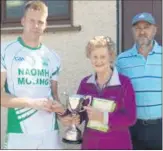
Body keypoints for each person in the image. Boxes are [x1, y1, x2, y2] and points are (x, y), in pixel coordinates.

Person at [1, 0, 70, 149]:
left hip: (50, 133)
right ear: (23, 21)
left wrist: (63, 114)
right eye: (31, 21)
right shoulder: (5, 51)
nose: (36, 26)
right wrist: (32, 103)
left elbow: (54, 96)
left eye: (40, 22)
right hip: (19, 133)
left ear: (45, 25)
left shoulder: (53, 57)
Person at [76, 36, 136, 149]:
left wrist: (103, 117)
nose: (98, 61)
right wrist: (74, 118)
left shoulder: (124, 83)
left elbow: (130, 117)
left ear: (111, 57)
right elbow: (81, 113)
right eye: (95, 57)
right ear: (89, 57)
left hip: (118, 145)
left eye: (103, 57)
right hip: (91, 145)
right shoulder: (85, 83)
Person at [116, 12, 162, 150]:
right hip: (132, 128)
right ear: (132, 32)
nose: (142, 32)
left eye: (146, 27)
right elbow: (114, 92)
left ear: (154, 30)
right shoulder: (122, 60)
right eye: (137, 28)